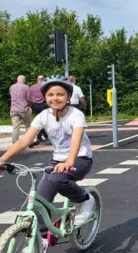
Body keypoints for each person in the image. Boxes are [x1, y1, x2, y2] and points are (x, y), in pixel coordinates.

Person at [0, 75, 95, 249]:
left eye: (60, 94)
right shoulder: (43, 116)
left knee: (58, 179)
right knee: (40, 199)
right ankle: (42, 238)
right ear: (45, 97)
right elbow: (24, 140)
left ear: (68, 97)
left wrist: (69, 161)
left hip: (80, 158)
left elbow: (76, 139)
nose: (55, 98)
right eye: (51, 95)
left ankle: (85, 199)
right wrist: (3, 159)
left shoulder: (76, 114)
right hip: (57, 160)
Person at [8, 75, 32, 144]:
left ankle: (15, 143)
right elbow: (29, 99)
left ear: (17, 79)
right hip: (24, 109)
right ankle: (28, 142)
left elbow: (11, 96)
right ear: (24, 80)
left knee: (15, 127)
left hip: (13, 109)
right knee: (28, 125)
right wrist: (29, 106)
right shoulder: (26, 87)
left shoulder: (11, 87)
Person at [29, 75, 49, 146]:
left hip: (35, 106)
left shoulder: (32, 87)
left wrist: (30, 106)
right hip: (44, 105)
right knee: (45, 121)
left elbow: (30, 97)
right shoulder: (45, 86)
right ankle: (45, 136)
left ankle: (39, 136)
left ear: (37, 79)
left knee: (39, 120)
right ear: (43, 79)